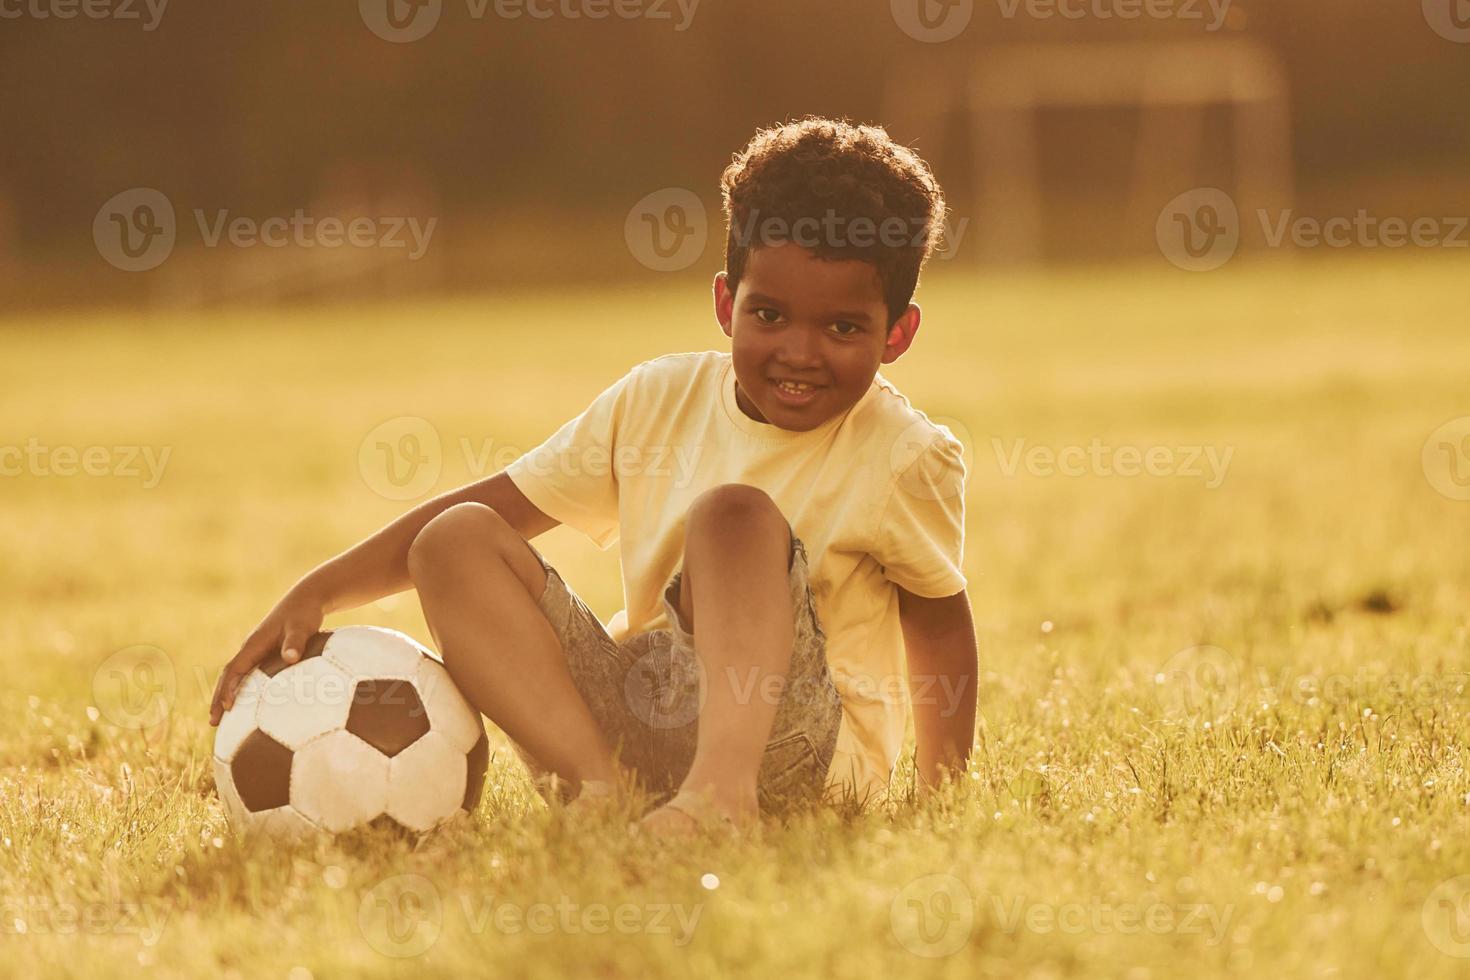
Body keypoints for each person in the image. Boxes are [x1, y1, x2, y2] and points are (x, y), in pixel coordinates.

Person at [209, 116, 978, 835]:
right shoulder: (658, 399)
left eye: (842, 328)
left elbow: (940, 625)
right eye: (770, 315)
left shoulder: (903, 452)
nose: (799, 352)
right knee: (454, 539)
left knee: (734, 517)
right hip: (633, 714)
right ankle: (600, 794)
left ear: (898, 335)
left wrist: (941, 797)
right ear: (724, 302)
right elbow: (496, 505)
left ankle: (720, 800)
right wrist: (318, 589)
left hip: (793, 749)